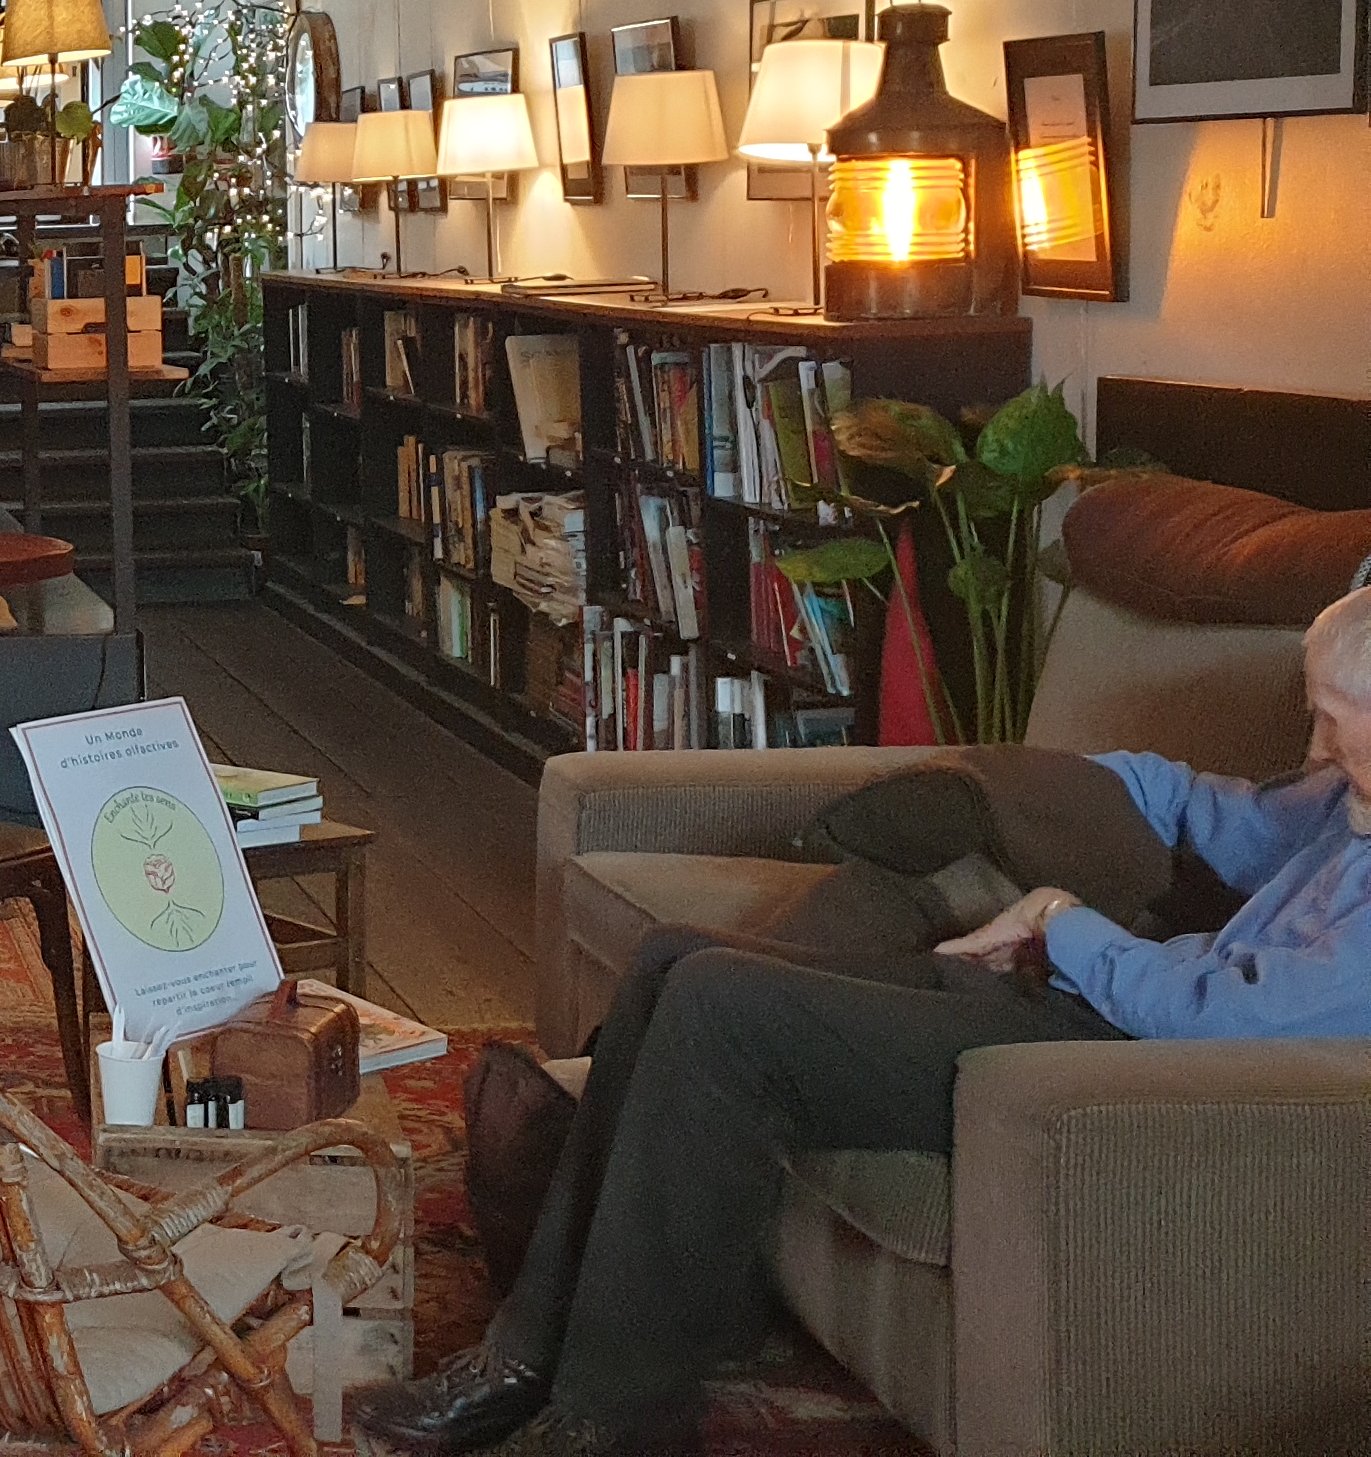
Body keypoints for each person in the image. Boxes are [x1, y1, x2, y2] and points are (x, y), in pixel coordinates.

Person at [357, 582, 1371, 1457]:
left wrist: (1061, 921)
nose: (1316, 748)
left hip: (1120, 1068)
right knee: (674, 959)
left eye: (1333, 720)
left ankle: (613, 1419)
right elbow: (1208, 810)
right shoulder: (1344, 801)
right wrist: (1081, 788)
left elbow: (1219, 1019)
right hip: (1078, 1003)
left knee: (721, 1008)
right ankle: (521, 1357)